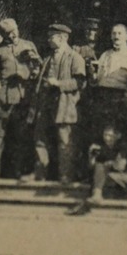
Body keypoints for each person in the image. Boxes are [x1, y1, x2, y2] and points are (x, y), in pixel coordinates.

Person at [0, 18, 40, 181]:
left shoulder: (29, 45)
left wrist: (34, 66)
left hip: (24, 97)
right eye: (8, 33)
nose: (13, 35)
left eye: (14, 31)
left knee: (21, 135)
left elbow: (39, 67)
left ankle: (20, 170)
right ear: (2, 35)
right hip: (4, 96)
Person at [30, 23, 85, 184]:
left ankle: (65, 176)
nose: (48, 39)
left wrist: (59, 84)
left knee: (64, 141)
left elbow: (80, 82)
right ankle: (40, 173)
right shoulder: (48, 58)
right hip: (46, 104)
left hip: (65, 106)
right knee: (40, 139)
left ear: (62, 38)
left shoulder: (75, 57)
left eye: (51, 36)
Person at [86, 22, 127, 160]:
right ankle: (102, 167)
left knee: (120, 132)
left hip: (121, 98)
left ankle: (118, 167)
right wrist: (93, 75)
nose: (116, 36)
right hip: (103, 97)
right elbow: (96, 80)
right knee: (102, 131)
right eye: (114, 33)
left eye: (119, 33)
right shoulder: (105, 55)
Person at [70, 123, 127, 214]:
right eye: (105, 135)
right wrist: (91, 156)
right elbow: (92, 167)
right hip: (107, 177)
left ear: (117, 136)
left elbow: (120, 166)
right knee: (98, 168)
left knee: (99, 169)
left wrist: (108, 164)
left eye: (110, 135)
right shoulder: (101, 147)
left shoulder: (122, 147)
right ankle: (95, 196)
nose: (107, 138)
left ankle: (96, 196)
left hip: (124, 177)